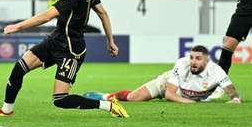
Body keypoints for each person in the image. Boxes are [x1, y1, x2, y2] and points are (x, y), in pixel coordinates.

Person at [0, 0, 128, 118]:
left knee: (60, 100)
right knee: (19, 68)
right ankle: (6, 110)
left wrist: (17, 27)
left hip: (71, 50)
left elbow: (48, 15)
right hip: (56, 40)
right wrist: (111, 41)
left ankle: (107, 105)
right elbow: (102, 13)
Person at [84, 45, 241, 104]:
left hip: (184, 92)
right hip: (166, 84)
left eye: (198, 59)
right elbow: (169, 94)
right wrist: (190, 103)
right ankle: (103, 96)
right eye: (192, 57)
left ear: (207, 61)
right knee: (133, 98)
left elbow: (230, 89)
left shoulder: (216, 71)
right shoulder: (182, 64)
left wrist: (235, 99)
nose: (193, 61)